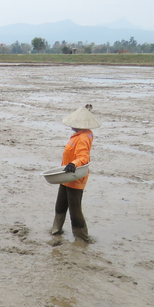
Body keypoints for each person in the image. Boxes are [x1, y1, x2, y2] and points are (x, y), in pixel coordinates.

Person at [50, 104, 101, 242]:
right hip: (66, 175)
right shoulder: (79, 134)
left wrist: (74, 164)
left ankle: (82, 237)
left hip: (75, 176)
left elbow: (84, 157)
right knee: (60, 205)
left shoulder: (83, 137)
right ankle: (56, 230)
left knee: (75, 209)